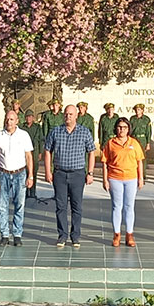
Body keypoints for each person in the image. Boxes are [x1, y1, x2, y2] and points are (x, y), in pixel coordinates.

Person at [43, 104, 96, 249]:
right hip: (60, 174)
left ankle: (75, 236)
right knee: (60, 206)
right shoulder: (56, 131)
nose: (68, 116)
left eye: (71, 114)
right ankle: (62, 236)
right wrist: (48, 171)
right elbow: (47, 150)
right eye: (66, 114)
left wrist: (90, 172)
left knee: (76, 206)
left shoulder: (84, 132)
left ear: (76, 115)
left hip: (78, 174)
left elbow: (91, 151)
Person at [0, 110, 34, 246]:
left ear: (17, 121)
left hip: (19, 174)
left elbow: (28, 156)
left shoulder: (24, 135)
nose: (9, 122)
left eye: (11, 119)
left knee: (19, 205)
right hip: (3, 174)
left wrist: (30, 176)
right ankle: (4, 234)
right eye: (7, 119)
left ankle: (17, 234)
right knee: (2, 206)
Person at [101, 118, 145, 248]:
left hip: (131, 178)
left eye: (125, 127)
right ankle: (117, 234)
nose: (122, 130)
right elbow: (104, 162)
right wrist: (105, 180)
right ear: (116, 128)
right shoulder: (110, 143)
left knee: (129, 206)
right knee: (117, 206)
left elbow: (139, 161)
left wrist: (141, 178)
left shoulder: (134, 143)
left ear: (128, 129)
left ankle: (129, 235)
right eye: (120, 127)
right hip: (115, 178)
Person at [21, 111, 44, 200]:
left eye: (30, 117)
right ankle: (26, 192)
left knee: (33, 172)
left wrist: (40, 152)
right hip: (25, 152)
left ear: (33, 118)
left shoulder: (37, 127)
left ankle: (33, 192)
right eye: (27, 117)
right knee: (25, 172)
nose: (28, 118)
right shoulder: (22, 127)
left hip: (35, 151)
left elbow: (41, 140)